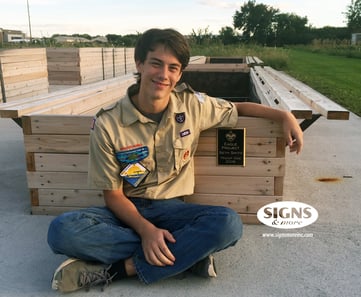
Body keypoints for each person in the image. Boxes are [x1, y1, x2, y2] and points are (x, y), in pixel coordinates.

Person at [47, 28, 303, 293]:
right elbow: (113, 196)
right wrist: (146, 232)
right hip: (126, 210)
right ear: (140, 64)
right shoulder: (108, 123)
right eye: (156, 63)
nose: (163, 75)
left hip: (174, 211)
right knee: (61, 230)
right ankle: (186, 255)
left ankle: (122, 269)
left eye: (173, 68)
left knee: (228, 224)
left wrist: (284, 116)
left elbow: (238, 108)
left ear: (180, 73)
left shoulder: (193, 106)